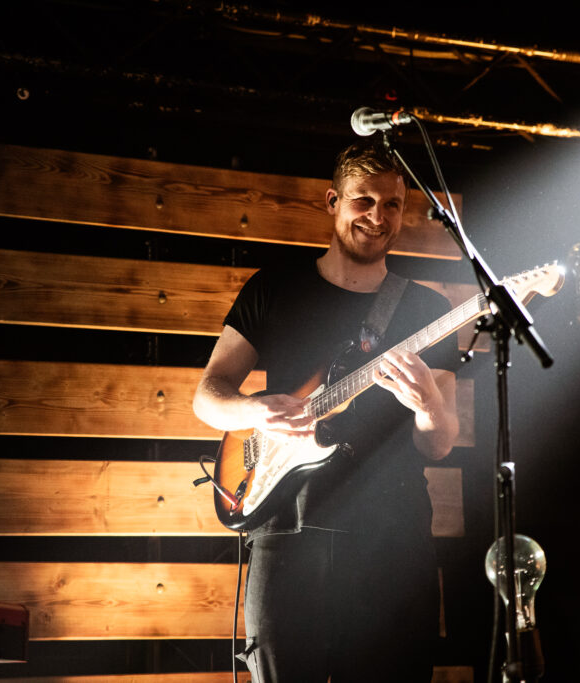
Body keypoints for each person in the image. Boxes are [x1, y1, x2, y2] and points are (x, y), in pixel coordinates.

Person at [192, 139, 460, 682]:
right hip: (286, 526)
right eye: (364, 201)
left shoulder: (427, 311)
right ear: (332, 200)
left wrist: (429, 405)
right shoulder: (274, 289)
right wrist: (255, 411)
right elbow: (208, 397)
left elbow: (439, 443)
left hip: (392, 533)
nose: (378, 217)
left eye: (392, 205)